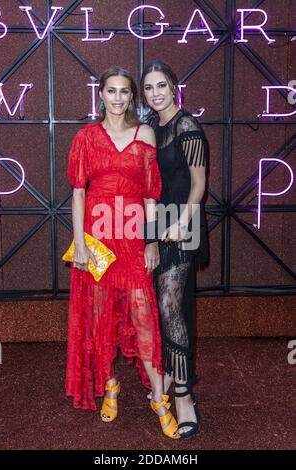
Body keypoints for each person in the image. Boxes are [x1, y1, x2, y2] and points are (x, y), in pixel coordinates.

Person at [65, 66, 180, 439]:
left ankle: (160, 399)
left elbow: (150, 193)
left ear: (132, 97)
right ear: (100, 94)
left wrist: (151, 241)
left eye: (124, 92)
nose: (117, 98)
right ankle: (110, 385)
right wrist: (80, 244)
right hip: (97, 239)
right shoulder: (86, 136)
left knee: (144, 317)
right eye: (111, 91)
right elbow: (78, 192)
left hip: (132, 240)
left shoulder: (144, 133)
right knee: (102, 318)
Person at [141, 61, 208, 439]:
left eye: (161, 86)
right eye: (148, 88)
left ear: (174, 86)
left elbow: (199, 183)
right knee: (163, 305)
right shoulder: (151, 128)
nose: (155, 93)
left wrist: (183, 222)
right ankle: (168, 373)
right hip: (156, 221)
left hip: (183, 222)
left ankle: (184, 395)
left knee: (170, 306)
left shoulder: (186, 126)